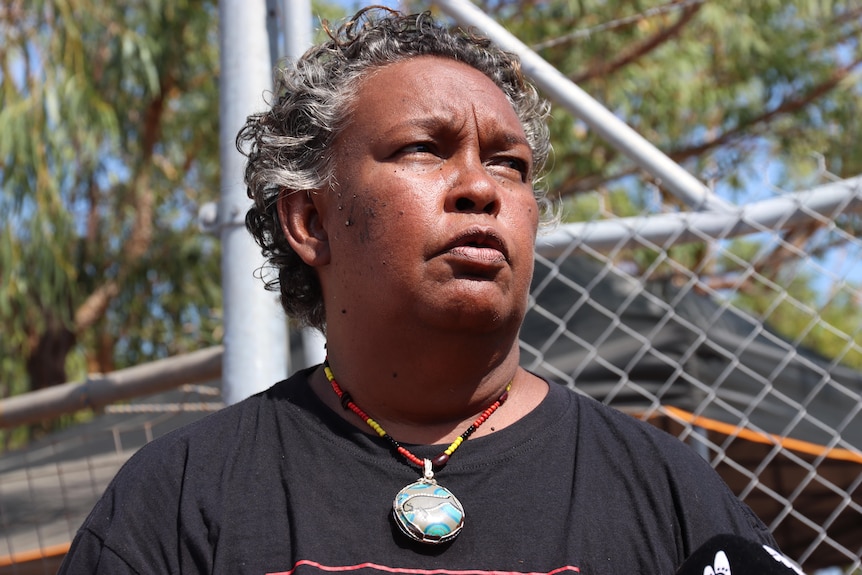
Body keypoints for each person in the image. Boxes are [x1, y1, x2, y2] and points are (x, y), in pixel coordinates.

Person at [59, 7, 780, 574]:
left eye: (509, 164)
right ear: (310, 220)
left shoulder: (672, 499)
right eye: (423, 150)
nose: (479, 188)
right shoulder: (181, 501)